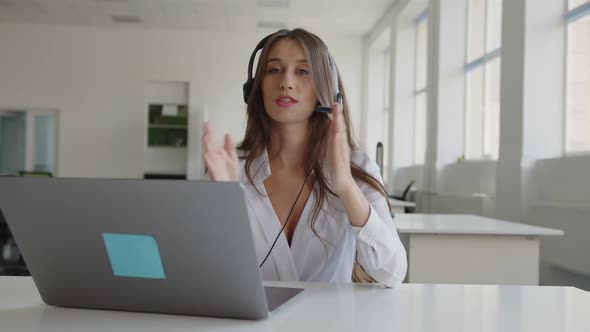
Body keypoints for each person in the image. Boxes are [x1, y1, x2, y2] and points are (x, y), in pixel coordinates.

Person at [201, 28, 407, 287]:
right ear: (255, 87)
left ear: (327, 89)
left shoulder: (356, 167)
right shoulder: (231, 169)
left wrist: (345, 186)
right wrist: (224, 202)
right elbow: (206, 273)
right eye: (274, 70)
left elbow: (392, 272)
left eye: (303, 71)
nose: (286, 82)